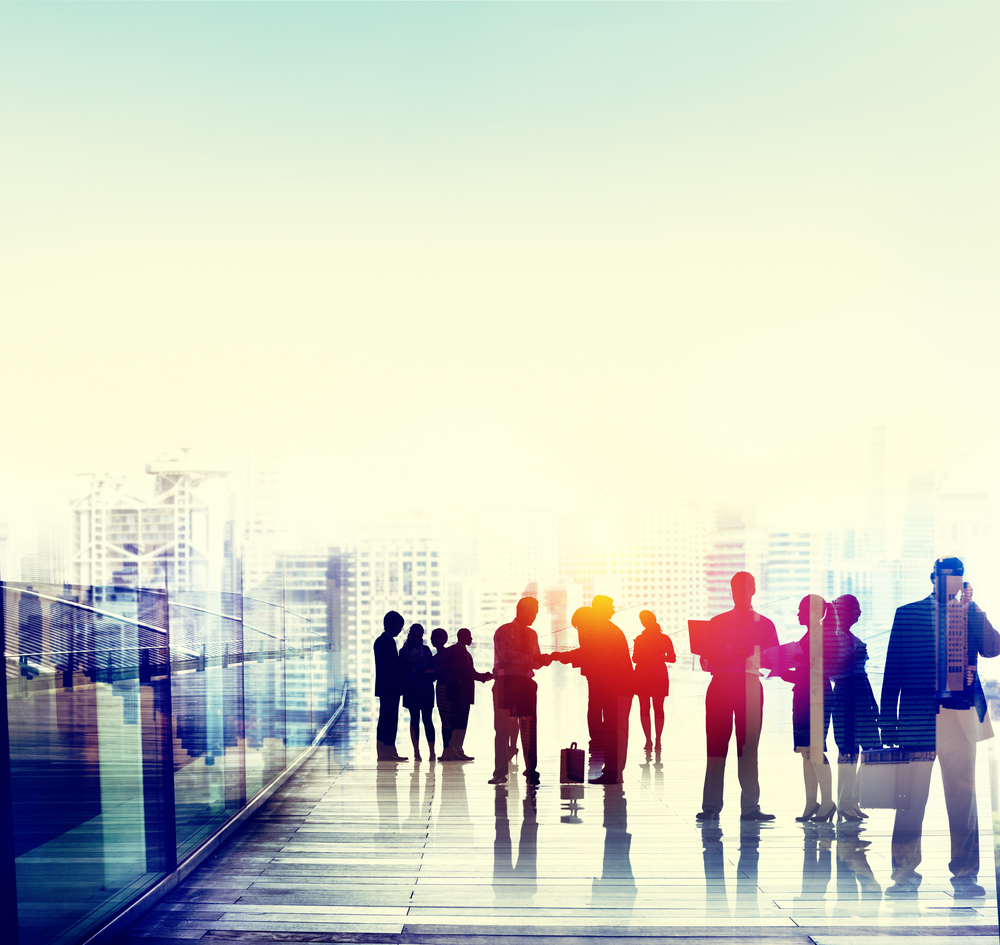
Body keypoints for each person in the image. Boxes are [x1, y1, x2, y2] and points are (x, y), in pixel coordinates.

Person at [880, 556, 1000, 898]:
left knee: (964, 799)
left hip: (961, 718)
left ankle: (965, 874)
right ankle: (904, 873)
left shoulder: (969, 614)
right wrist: (888, 724)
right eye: (946, 576)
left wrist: (974, 608)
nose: (952, 582)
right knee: (910, 799)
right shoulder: (907, 614)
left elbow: (993, 648)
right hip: (918, 718)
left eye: (958, 577)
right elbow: (893, 670)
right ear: (933, 578)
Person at [697, 571, 778, 822]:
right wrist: (723, 653)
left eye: (745, 588)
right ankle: (711, 806)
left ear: (754, 590)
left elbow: (773, 660)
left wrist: (746, 653)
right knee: (715, 747)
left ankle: (750, 807)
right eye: (736, 588)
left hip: (749, 686)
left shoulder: (765, 624)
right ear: (730, 591)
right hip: (721, 685)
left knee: (748, 748)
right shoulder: (716, 623)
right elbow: (704, 661)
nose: (741, 593)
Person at [779, 595, 849, 823]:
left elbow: (828, 667)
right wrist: (780, 669)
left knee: (816, 750)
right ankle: (811, 802)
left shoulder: (827, 636)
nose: (798, 614)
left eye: (802, 610)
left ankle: (827, 803)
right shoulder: (807, 637)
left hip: (818, 697)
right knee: (805, 751)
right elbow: (803, 674)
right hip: (802, 696)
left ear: (817, 613)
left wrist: (799, 665)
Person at [555, 595, 634, 784]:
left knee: (615, 730)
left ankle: (613, 772)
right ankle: (613, 771)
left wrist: (558, 656)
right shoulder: (604, 629)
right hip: (616, 687)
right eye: (611, 606)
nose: (614, 610)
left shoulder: (604, 630)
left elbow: (589, 654)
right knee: (615, 729)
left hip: (616, 688)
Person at [489, 597, 554, 786]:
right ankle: (500, 772)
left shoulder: (533, 634)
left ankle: (531, 770)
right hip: (506, 684)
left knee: (528, 728)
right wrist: (534, 660)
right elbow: (509, 657)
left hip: (525, 684)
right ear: (521, 610)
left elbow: (533, 661)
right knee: (502, 730)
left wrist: (541, 661)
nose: (534, 616)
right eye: (532, 612)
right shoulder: (503, 631)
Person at [830, 594, 880, 822]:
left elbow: (862, 673)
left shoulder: (854, 638)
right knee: (848, 749)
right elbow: (830, 671)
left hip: (861, 692)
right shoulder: (833, 639)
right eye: (856, 608)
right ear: (844, 611)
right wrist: (853, 658)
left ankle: (852, 800)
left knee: (866, 750)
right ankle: (844, 803)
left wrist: (872, 701)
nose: (859, 612)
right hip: (845, 693)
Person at [439, 627, 493, 761]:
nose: (471, 639)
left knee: (457, 723)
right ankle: (456, 750)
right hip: (460, 694)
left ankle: (454, 750)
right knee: (459, 723)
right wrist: (484, 677)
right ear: (462, 637)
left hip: (459, 694)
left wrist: (484, 676)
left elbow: (470, 673)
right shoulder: (458, 652)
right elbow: (469, 673)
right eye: (469, 636)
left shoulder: (459, 652)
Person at [632, 610, 676, 753]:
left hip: (642, 675)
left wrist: (647, 656)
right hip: (658, 674)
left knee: (644, 709)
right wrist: (658, 657)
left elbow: (635, 659)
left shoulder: (640, 639)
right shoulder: (664, 639)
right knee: (658, 708)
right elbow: (672, 658)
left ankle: (649, 740)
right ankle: (657, 740)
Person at [373, 611, 408, 761]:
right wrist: (404, 661)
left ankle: (389, 750)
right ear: (391, 625)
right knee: (388, 718)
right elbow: (390, 665)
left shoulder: (385, 641)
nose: (400, 630)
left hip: (388, 687)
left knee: (389, 718)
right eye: (399, 627)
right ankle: (385, 751)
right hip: (389, 687)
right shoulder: (384, 642)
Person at [400, 623, 437, 761]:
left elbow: (431, 668)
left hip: (419, 687)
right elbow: (402, 670)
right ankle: (418, 751)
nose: (417, 637)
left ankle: (429, 751)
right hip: (416, 687)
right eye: (415, 634)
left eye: (419, 635)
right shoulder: (405, 652)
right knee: (418, 719)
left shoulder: (419, 651)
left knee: (424, 719)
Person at [430, 628, 453, 757]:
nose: (432, 640)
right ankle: (448, 750)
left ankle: (447, 750)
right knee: (449, 721)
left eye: (433, 637)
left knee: (445, 721)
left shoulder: (435, 658)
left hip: (442, 690)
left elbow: (433, 677)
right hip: (450, 689)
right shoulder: (450, 654)